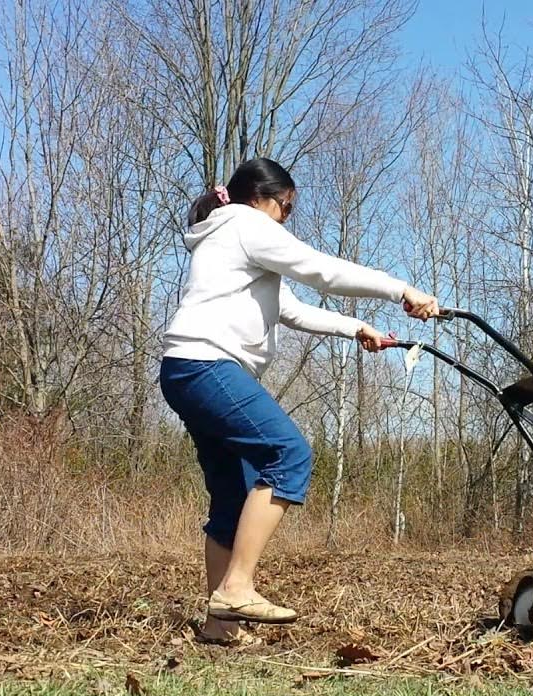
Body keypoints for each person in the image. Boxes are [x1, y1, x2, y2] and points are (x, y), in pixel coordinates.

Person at [161, 158, 438, 646]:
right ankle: (237, 587)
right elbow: (322, 271)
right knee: (289, 454)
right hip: (208, 366)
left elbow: (289, 309)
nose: (287, 218)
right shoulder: (247, 223)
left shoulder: (228, 235)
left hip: (187, 368)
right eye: (286, 208)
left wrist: (356, 327)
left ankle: (219, 626)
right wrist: (402, 290)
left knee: (233, 496)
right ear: (261, 199)